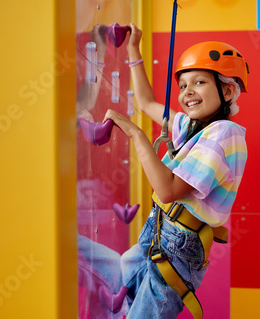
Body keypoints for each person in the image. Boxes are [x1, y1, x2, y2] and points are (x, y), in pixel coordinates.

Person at [102, 23, 249, 318]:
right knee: (119, 275)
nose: (187, 92)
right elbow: (145, 102)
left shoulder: (224, 133)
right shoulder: (192, 126)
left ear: (228, 89)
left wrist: (137, 135)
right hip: (158, 229)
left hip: (180, 246)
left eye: (199, 83)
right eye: (182, 86)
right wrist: (133, 49)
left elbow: (168, 190)